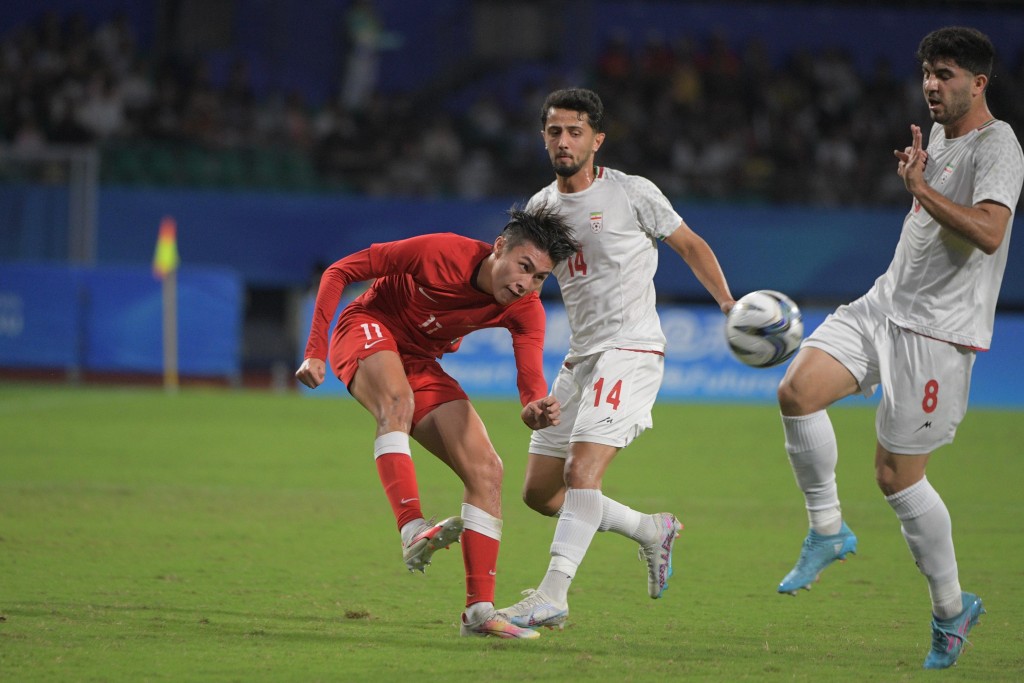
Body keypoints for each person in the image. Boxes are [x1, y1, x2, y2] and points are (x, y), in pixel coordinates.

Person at [773, 27, 1022, 669]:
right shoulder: (939, 132)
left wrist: (921, 189)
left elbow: (990, 233)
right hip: (885, 304)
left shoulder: (999, 146)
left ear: (979, 82)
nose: (931, 85)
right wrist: (923, 179)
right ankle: (827, 530)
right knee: (796, 392)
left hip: (936, 333)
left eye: (945, 74)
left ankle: (951, 609)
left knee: (895, 478)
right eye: (927, 74)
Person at [496, 88, 736, 629]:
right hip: (580, 357)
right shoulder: (539, 208)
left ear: (596, 140)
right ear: (543, 139)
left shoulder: (632, 192)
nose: (563, 141)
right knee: (541, 492)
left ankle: (553, 595)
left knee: (582, 470)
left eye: (574, 131)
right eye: (554, 132)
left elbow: (690, 244)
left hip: (631, 349)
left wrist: (727, 304)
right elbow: (523, 284)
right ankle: (650, 529)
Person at [295, 206, 579, 639]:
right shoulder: (440, 253)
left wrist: (533, 408)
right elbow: (340, 271)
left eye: (541, 277)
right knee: (397, 402)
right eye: (524, 267)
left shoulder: (526, 309)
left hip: (418, 360)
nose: (527, 284)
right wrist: (314, 350)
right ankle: (411, 527)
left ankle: (478, 613)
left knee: (487, 469)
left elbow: (530, 384)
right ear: (499, 247)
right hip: (367, 326)